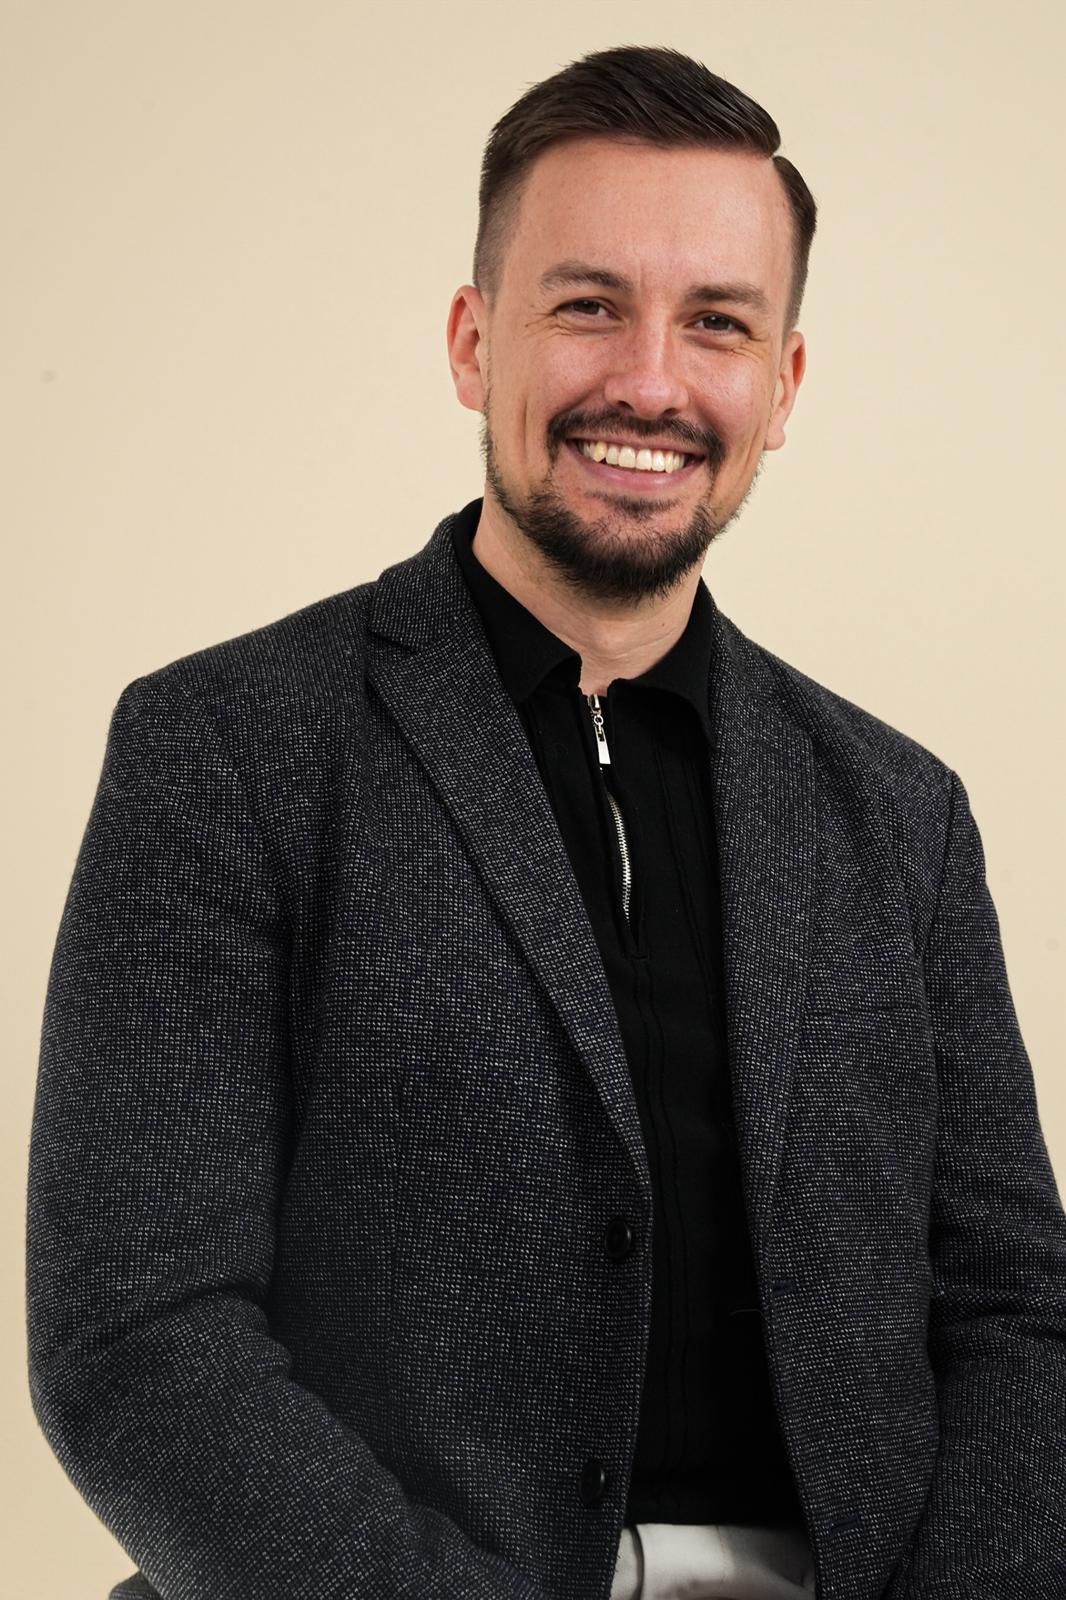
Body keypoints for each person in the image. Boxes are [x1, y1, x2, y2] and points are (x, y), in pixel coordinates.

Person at [25, 44, 1065, 1600]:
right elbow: (136, 1334)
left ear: (780, 387)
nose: (649, 380)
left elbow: (1015, 1319)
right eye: (587, 305)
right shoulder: (221, 750)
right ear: (470, 340)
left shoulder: (899, 814)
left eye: (715, 322)